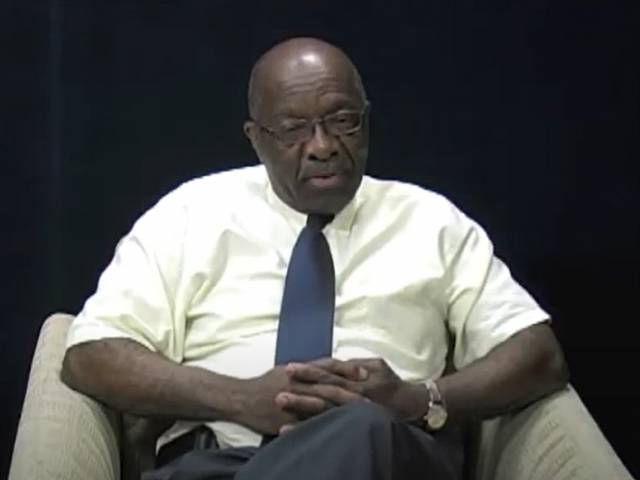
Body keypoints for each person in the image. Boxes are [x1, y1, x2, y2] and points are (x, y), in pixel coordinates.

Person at [61, 37, 569, 480]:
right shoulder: (191, 215)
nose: (322, 146)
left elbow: (537, 355)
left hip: (389, 458)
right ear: (256, 139)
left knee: (363, 429)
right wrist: (240, 398)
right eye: (294, 129)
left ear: (367, 121)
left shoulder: (432, 221)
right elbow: (91, 355)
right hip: (220, 463)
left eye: (343, 121)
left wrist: (418, 399)